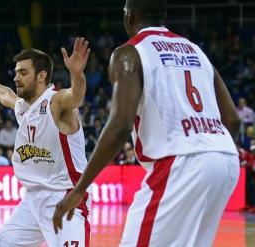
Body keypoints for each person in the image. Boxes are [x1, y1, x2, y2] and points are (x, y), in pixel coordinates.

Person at [52, 1, 241, 246]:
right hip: (225, 159)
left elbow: (120, 126)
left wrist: (79, 189)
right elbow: (233, 120)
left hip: (180, 162)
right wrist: (209, 149)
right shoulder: (195, 50)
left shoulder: (130, 52)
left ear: (130, 16)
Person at [0, 38, 91, 246]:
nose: (16, 78)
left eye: (23, 73)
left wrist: (76, 73)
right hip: (32, 199)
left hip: (65, 197)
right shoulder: (24, 106)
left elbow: (76, 96)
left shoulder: (56, 101)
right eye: (15, 72)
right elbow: (6, 95)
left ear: (41, 76)